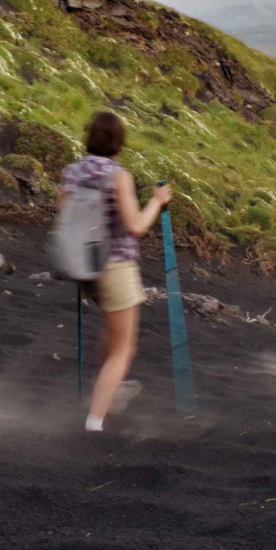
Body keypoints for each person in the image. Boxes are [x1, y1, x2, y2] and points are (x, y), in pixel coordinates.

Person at [58, 110, 170, 432]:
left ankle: (107, 390)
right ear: (119, 143)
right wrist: (157, 201)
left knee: (111, 333)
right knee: (123, 348)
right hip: (115, 266)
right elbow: (135, 226)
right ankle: (96, 420)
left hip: (82, 266)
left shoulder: (71, 172)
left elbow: (65, 217)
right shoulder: (119, 176)